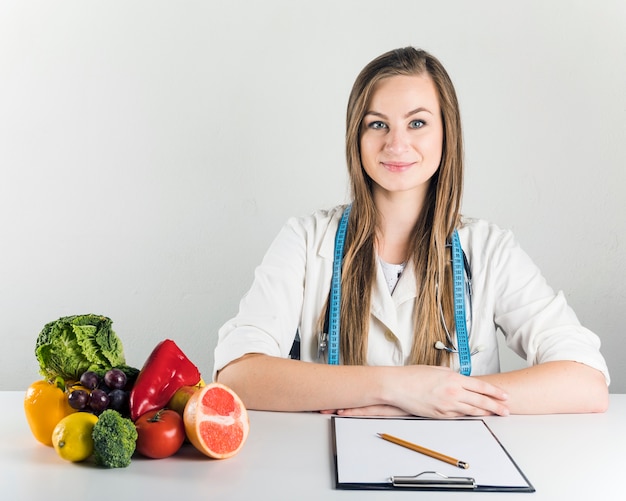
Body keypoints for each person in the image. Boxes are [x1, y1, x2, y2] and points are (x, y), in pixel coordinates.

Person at [213, 47, 610, 418]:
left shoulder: (490, 250)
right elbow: (237, 377)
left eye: (417, 122)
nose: (396, 143)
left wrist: (443, 399)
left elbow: (585, 381)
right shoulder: (304, 240)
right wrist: (400, 388)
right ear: (357, 137)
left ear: (445, 134)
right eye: (378, 124)